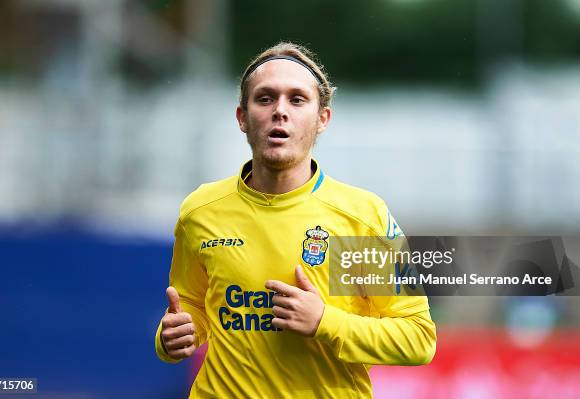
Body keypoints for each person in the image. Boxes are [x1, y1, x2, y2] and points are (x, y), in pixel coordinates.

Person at [155, 42, 436, 398]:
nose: (280, 112)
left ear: (323, 119)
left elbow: (417, 339)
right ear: (242, 117)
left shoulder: (360, 218)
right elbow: (192, 306)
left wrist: (324, 321)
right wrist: (175, 336)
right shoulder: (201, 210)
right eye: (265, 98)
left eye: (297, 100)